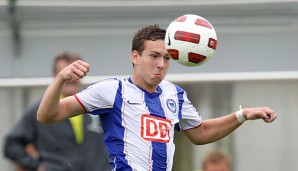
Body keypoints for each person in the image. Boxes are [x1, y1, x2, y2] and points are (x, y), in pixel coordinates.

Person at [36, 24, 277, 171]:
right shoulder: (112, 90)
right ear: (135, 56)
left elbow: (201, 133)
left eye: (167, 57)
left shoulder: (175, 94)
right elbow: (47, 115)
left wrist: (242, 115)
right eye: (154, 56)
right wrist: (60, 79)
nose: (161, 64)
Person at [3, 52, 110, 171]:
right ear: (56, 76)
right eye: (66, 74)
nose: (71, 78)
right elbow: (12, 145)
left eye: (76, 73)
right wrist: (37, 166)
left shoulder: (97, 105)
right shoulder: (40, 111)